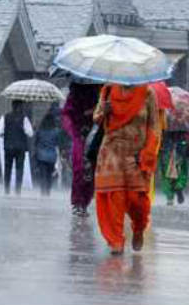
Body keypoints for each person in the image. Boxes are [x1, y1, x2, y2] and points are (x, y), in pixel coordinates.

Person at [93, 84, 161, 255]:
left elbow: (154, 126)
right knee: (113, 197)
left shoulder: (147, 93)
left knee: (138, 200)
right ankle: (115, 240)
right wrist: (104, 112)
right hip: (111, 151)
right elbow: (96, 118)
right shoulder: (108, 91)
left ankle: (138, 228)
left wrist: (148, 152)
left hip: (136, 154)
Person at [61, 83, 101, 216]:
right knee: (79, 168)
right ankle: (77, 202)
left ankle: (84, 202)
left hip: (95, 133)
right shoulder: (75, 92)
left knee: (91, 169)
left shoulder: (101, 90)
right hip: (79, 133)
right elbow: (68, 114)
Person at [0, 100, 34, 195]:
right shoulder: (24, 119)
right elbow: (30, 133)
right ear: (20, 107)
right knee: (19, 169)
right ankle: (18, 190)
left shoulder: (5, 117)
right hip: (20, 148)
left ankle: (7, 189)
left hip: (8, 147)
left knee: (7, 168)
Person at [35, 109, 62, 196]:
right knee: (49, 175)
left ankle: (42, 191)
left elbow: (36, 142)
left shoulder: (40, 131)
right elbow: (58, 143)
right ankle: (48, 191)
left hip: (41, 156)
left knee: (42, 175)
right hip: (51, 157)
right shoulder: (56, 132)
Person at [159, 131, 189, 206]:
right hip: (177, 155)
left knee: (168, 177)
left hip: (170, 155)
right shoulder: (183, 131)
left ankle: (170, 197)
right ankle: (178, 188)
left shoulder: (166, 132)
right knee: (179, 175)